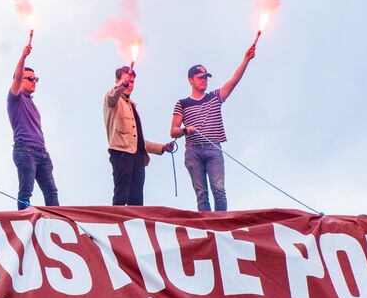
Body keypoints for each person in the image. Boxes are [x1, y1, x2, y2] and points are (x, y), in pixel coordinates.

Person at [169, 46, 255, 211]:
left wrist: (246, 59)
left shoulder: (215, 97)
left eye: (206, 78)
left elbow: (234, 80)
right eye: (200, 78)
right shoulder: (182, 104)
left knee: (219, 190)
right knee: (201, 194)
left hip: (214, 148)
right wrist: (186, 130)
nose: (204, 80)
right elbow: (173, 131)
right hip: (193, 150)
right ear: (191, 80)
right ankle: (207, 225)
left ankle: (221, 224)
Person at [104, 66, 174, 207]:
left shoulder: (132, 106)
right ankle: (118, 220)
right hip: (121, 154)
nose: (129, 84)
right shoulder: (112, 100)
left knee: (136, 201)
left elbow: (137, 140)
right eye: (126, 81)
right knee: (121, 196)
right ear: (117, 81)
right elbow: (112, 96)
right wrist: (122, 84)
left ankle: (135, 222)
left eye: (132, 82)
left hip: (137, 158)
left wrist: (162, 147)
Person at [6, 41, 58, 209]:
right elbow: (18, 76)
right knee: (26, 192)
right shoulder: (15, 98)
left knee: (52, 192)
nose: (34, 81)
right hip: (25, 151)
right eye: (30, 78)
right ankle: (23, 221)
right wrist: (23, 56)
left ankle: (57, 221)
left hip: (41, 152)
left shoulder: (31, 103)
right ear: (20, 80)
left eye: (35, 79)